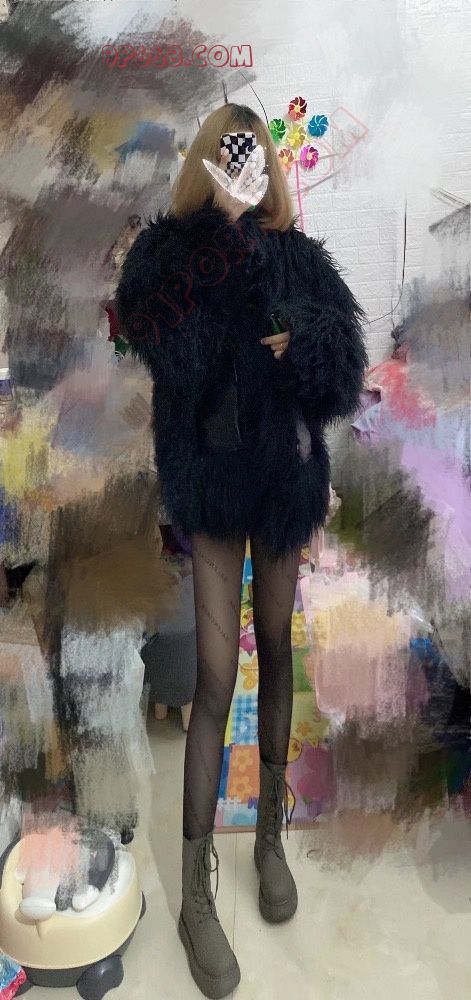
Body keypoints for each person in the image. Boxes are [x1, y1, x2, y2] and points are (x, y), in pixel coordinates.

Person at [114, 102, 368, 999]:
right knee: (216, 675)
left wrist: (307, 343)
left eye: (254, 162)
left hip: (285, 482)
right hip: (215, 486)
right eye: (230, 163)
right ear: (206, 167)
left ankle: (268, 840)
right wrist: (215, 254)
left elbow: (342, 370)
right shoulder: (168, 255)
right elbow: (162, 348)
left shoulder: (299, 256)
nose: (245, 177)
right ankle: (194, 895)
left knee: (280, 650)